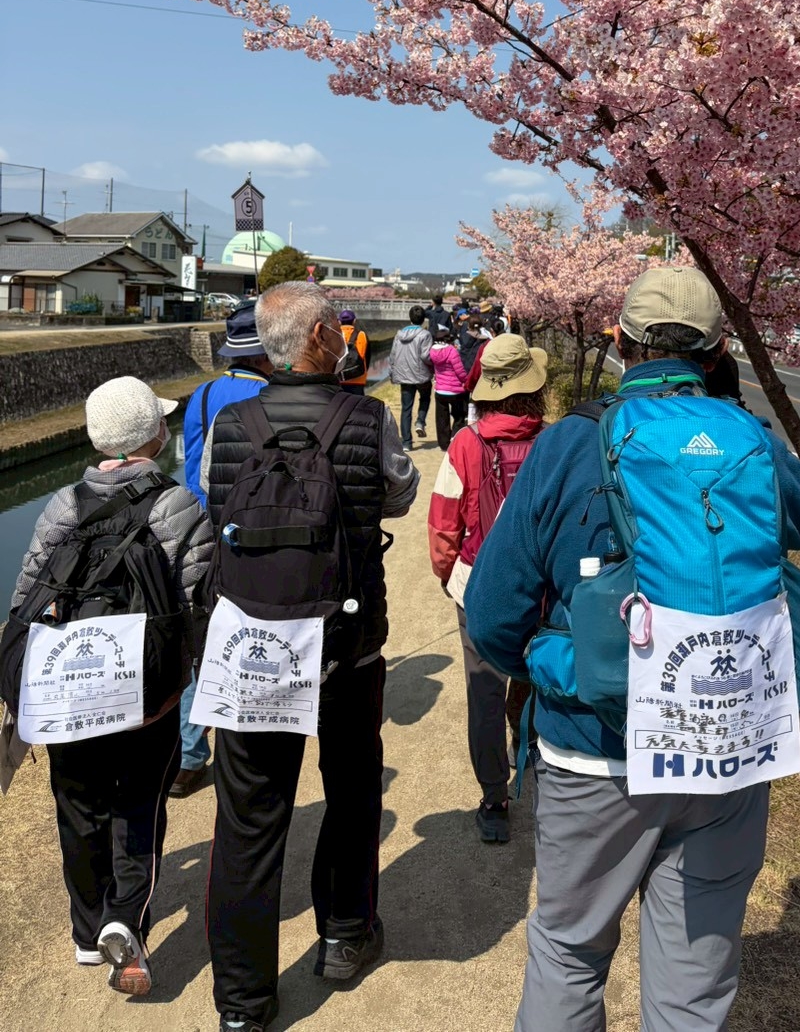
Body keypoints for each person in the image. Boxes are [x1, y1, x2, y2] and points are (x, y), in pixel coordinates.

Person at [464, 267, 800, 1032]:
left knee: (569, 952)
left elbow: (493, 611)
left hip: (594, 748)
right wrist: (731, 423)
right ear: (719, 348)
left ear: (619, 340)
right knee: (694, 985)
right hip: (727, 747)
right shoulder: (750, 438)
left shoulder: (572, 443)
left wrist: (536, 663)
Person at [204, 281, 418, 1032]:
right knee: (353, 791)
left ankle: (242, 1004)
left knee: (249, 819)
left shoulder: (231, 423)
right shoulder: (368, 417)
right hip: (346, 649)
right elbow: (398, 496)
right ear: (322, 337)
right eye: (337, 327)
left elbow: (212, 500)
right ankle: (343, 935)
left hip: (254, 647)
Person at [9, 376, 212, 996]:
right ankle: (125, 918)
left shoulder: (61, 505)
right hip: (148, 702)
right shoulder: (179, 506)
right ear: (155, 435)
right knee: (139, 809)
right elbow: (198, 606)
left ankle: (85, 930)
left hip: (69, 696)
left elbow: (26, 600)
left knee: (77, 809)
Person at [427, 334, 547, 843]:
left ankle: (494, 797)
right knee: (543, 682)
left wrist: (448, 575)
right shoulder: (555, 441)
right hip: (545, 589)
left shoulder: (465, 443)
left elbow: (443, 525)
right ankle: (543, 776)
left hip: (479, 585)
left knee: (484, 691)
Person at [174, 303, 273, 797]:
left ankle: (190, 752)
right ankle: (230, 737)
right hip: (251, 530)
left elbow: (192, 461)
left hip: (197, 524)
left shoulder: (204, 393)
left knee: (201, 638)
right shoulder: (269, 396)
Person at [388, 304, 433, 450]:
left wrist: (392, 372)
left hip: (404, 375)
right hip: (421, 375)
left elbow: (393, 356)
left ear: (410, 318)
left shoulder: (399, 335)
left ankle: (407, 442)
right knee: (425, 397)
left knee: (406, 408)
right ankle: (420, 421)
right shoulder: (425, 335)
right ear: (423, 319)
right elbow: (426, 356)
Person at [428, 324, 469, 451]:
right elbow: (459, 371)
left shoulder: (432, 351)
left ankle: (444, 444)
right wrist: (466, 381)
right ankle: (455, 437)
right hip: (455, 390)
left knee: (441, 419)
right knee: (459, 416)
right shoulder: (452, 351)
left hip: (440, 390)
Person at [337, 307, 371, 394]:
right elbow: (367, 356)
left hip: (338, 379)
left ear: (339, 321)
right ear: (354, 321)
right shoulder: (361, 335)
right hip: (358, 378)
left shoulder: (334, 335)